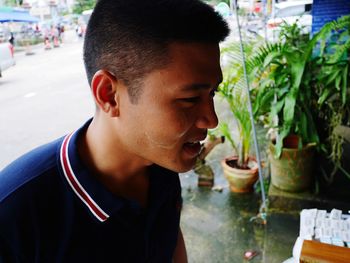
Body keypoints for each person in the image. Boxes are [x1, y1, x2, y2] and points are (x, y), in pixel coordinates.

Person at [0, 0, 229, 262]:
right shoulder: (13, 218)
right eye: (189, 99)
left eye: (212, 93)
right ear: (108, 94)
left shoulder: (161, 163)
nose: (211, 120)